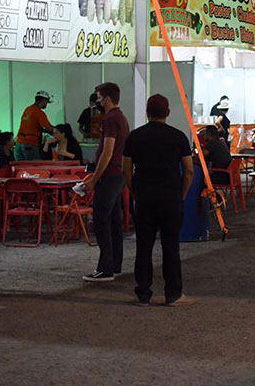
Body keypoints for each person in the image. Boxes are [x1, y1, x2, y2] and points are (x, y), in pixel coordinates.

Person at [123, 94, 194, 306]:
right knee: (170, 246)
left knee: (143, 247)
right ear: (168, 112)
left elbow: (126, 170)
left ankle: (143, 294)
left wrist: (136, 193)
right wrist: (180, 195)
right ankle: (173, 294)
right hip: (171, 199)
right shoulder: (179, 137)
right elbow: (189, 171)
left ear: (147, 112)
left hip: (145, 199)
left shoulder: (135, 137)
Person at [82, 82, 130, 283]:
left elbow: (107, 152)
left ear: (107, 98)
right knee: (114, 222)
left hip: (109, 176)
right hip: (118, 175)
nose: (98, 102)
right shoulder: (121, 117)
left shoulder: (111, 119)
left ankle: (105, 268)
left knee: (101, 221)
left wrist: (94, 179)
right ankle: (115, 264)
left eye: (99, 98)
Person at [15, 91, 54, 160]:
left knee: (21, 168)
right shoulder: (39, 112)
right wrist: (59, 131)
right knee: (34, 168)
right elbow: (48, 128)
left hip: (19, 143)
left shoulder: (28, 109)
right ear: (43, 100)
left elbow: (33, 126)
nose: (46, 104)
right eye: (46, 102)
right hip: (30, 144)